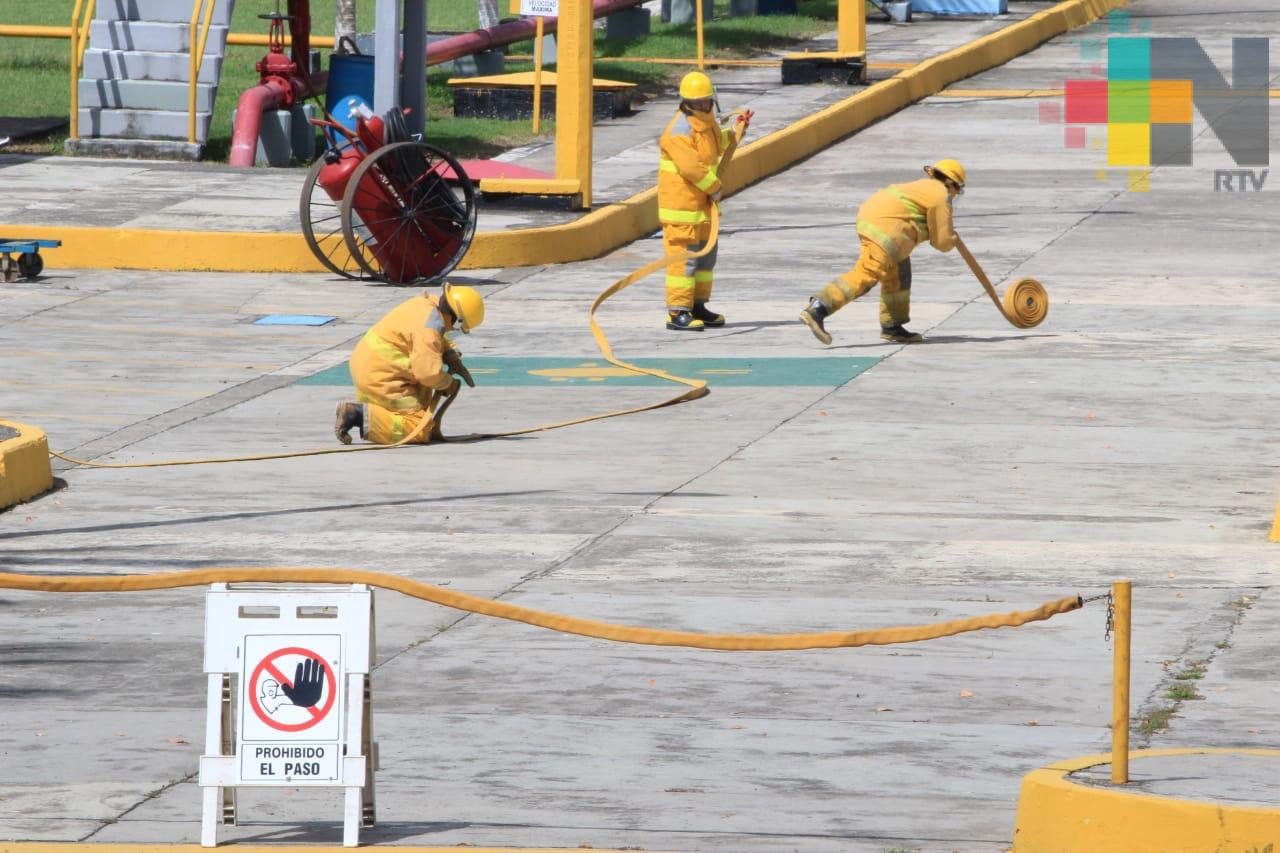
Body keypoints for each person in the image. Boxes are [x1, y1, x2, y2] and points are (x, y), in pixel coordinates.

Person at [800, 159, 966, 345]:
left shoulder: (922, 187)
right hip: (887, 228)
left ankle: (892, 326)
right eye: (956, 189)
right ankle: (819, 308)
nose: (955, 194)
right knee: (868, 272)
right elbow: (942, 242)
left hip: (873, 218)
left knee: (899, 271)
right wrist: (951, 238)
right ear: (951, 183)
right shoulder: (940, 195)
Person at [657, 71, 752, 331]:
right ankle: (678, 312)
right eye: (696, 103)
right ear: (685, 103)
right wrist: (715, 187)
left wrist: (735, 133)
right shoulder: (677, 131)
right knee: (683, 262)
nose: (702, 106)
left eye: (705, 101)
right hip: (682, 210)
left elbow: (713, 146)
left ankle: (697, 305)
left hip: (702, 208)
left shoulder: (706, 125)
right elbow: (692, 167)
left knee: (705, 261)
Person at [334, 284, 484, 445]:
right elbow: (428, 374)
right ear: (456, 317)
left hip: (369, 365)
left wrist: (449, 353)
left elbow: (427, 336)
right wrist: (447, 383)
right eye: (457, 326)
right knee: (418, 427)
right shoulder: (429, 329)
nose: (453, 329)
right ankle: (355, 414)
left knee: (422, 401)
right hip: (380, 377)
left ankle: (368, 412)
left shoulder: (426, 305)